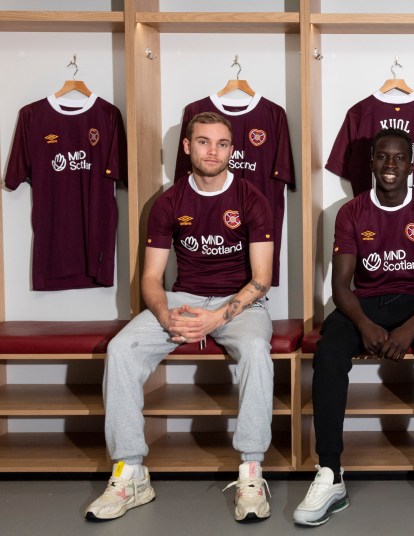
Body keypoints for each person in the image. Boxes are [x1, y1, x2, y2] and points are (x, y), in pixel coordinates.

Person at [84, 112, 275, 523]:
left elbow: (262, 279)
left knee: (257, 351)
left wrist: (216, 319)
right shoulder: (169, 202)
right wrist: (166, 315)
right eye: (204, 142)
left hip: (240, 301)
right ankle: (130, 472)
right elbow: (151, 279)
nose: (213, 151)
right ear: (187, 147)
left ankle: (251, 470)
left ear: (232, 150)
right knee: (121, 350)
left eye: (222, 144)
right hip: (183, 298)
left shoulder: (251, 198)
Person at [293, 128, 414, 526]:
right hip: (363, 303)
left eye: (399, 158)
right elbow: (341, 286)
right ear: (371, 162)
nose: (390, 165)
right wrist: (363, 323)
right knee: (329, 352)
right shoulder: (351, 212)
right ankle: (330, 472)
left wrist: (409, 330)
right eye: (382, 157)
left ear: (411, 165)